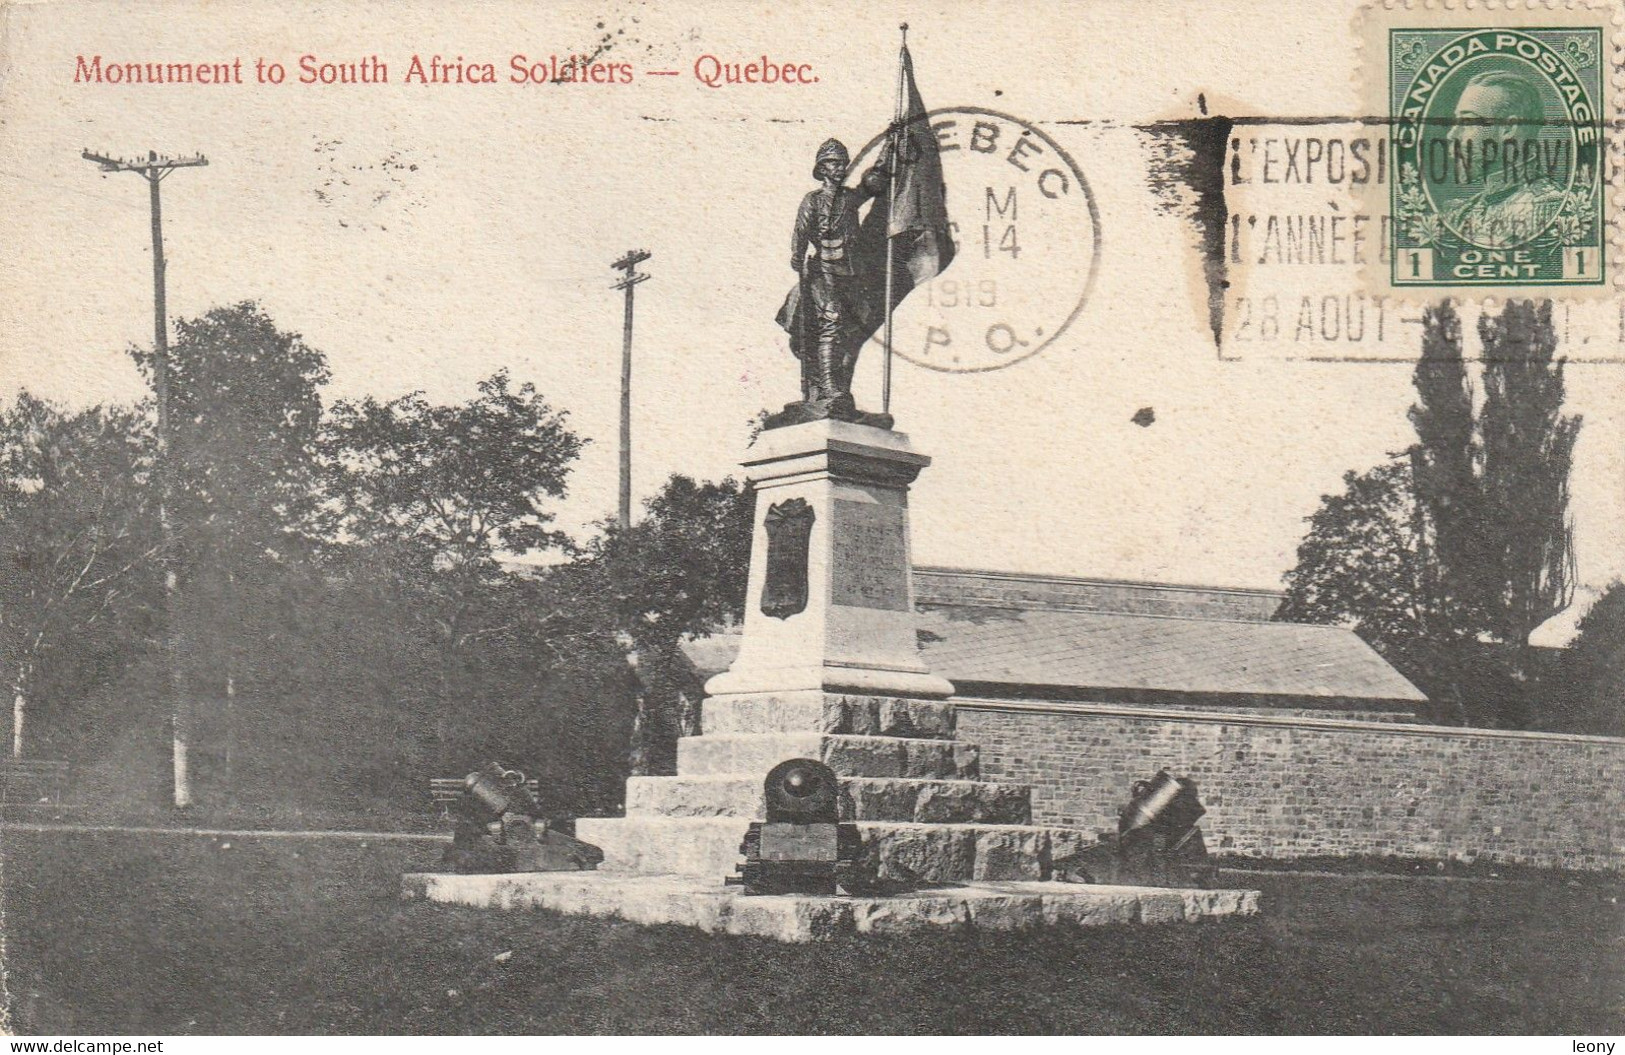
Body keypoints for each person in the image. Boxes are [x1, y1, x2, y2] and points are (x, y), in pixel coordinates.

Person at [778, 138, 890, 415]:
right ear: (822, 168)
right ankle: (828, 388)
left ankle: (835, 387)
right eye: (834, 163)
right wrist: (798, 260)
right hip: (823, 272)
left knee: (848, 330)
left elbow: (870, 187)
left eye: (843, 163)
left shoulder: (849, 198)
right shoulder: (813, 201)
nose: (840, 168)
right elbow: (800, 236)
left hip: (851, 274)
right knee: (831, 322)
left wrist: (889, 162)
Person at [1439, 69, 1567, 248]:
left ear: (1508, 128)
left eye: (1467, 122)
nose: (1452, 135)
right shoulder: (1461, 213)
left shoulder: (1549, 207)